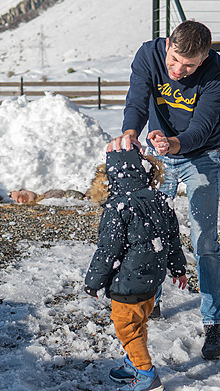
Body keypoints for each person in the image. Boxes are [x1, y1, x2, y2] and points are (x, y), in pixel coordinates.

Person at [112, 20, 220, 360]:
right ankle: (152, 301)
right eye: (174, 60)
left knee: (203, 239)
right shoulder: (148, 55)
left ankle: (214, 323)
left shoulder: (216, 71)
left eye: (189, 65)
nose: (179, 70)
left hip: (200, 156)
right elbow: (136, 99)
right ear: (167, 46)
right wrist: (131, 133)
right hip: (155, 154)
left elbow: (203, 126)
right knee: (149, 232)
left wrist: (174, 143)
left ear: (205, 58)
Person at [84, 139, 187, 391]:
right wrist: (178, 268)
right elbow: (173, 238)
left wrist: (94, 282)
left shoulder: (117, 206)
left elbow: (108, 251)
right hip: (152, 282)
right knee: (139, 323)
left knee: (127, 328)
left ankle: (145, 375)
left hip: (127, 284)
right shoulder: (160, 199)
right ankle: (133, 363)